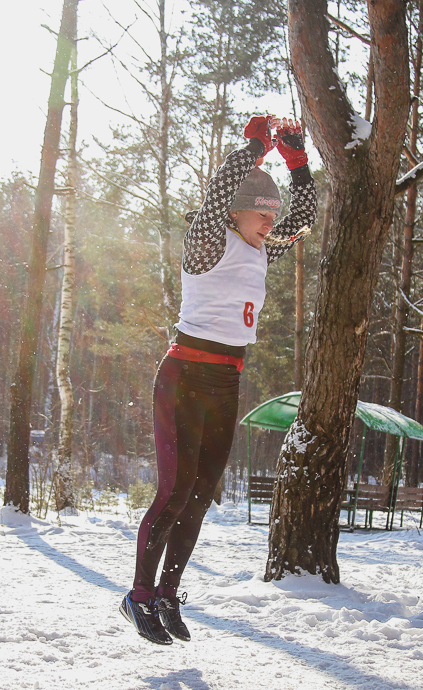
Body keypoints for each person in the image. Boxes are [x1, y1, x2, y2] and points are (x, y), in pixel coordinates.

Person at [119, 115, 317, 645]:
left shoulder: (262, 247)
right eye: (263, 212)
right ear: (235, 210)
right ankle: (138, 595)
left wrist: (297, 161)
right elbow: (217, 191)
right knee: (174, 491)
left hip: (226, 381)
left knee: (201, 495)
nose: (271, 222)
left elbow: (305, 218)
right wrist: (254, 147)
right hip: (184, 376)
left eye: (273, 214)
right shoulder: (208, 240)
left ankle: (167, 594)